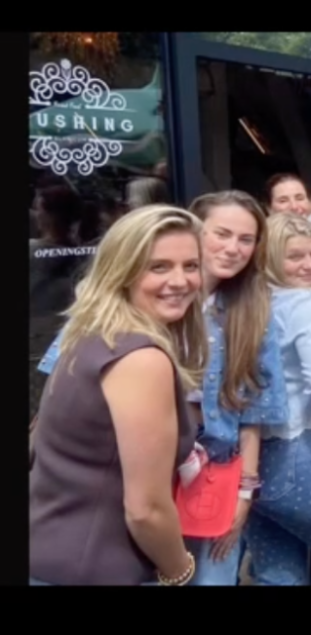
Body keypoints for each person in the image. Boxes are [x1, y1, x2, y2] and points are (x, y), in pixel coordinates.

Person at [30, 205, 205, 585]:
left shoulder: (88, 332)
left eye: (191, 265)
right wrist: (181, 571)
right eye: (159, 267)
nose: (180, 280)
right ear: (122, 270)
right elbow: (146, 510)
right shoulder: (141, 360)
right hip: (97, 569)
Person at [244, 213, 311, 586]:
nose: (309, 265)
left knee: (277, 575)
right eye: (294, 256)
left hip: (250, 459)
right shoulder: (307, 302)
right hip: (298, 452)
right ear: (271, 259)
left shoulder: (244, 304)